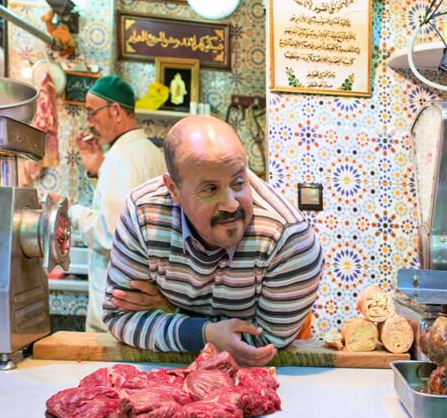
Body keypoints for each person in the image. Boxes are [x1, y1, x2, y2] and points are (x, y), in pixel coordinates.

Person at [102, 116, 323, 366]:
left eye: (238, 183)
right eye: (210, 189)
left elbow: (264, 343)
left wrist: (175, 313)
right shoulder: (143, 215)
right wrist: (204, 333)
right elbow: (119, 317)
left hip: (269, 373)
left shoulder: (289, 239)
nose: (231, 204)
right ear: (173, 189)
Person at [68, 74, 166, 333]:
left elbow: (110, 234)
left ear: (115, 111)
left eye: (92, 113)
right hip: (138, 300)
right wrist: (96, 171)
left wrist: (72, 212)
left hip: (116, 306)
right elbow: (127, 211)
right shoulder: (150, 153)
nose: (89, 123)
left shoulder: (121, 158)